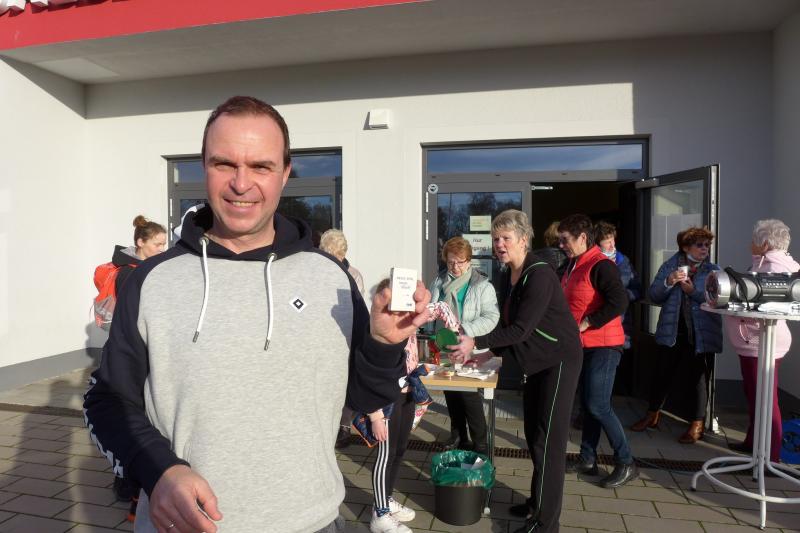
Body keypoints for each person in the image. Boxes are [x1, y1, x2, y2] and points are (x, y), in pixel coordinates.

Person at [83, 96, 431, 533]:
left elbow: (362, 399)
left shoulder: (332, 280)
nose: (241, 183)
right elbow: (106, 401)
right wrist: (159, 470)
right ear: (204, 167)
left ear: (285, 173)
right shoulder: (152, 281)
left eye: (261, 166)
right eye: (224, 164)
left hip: (311, 524)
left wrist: (381, 345)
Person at [448, 210, 582, 533]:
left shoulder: (539, 275)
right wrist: (488, 355)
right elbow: (509, 327)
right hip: (537, 363)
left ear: (524, 240)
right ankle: (537, 503)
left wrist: (476, 342)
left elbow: (522, 329)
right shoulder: (511, 274)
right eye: (495, 238)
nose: (499, 244)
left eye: (505, 238)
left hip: (559, 362)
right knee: (535, 439)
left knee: (549, 445)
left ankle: (546, 524)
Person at [558, 214, 637, 489]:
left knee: (598, 404)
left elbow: (619, 301)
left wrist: (587, 323)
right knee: (588, 404)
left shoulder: (601, 265)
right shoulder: (572, 265)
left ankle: (626, 462)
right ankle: (587, 459)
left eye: (565, 240)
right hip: (583, 345)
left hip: (604, 345)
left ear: (582, 237)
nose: (561, 245)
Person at [631, 227, 722, 443]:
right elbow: (654, 295)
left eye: (707, 245)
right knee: (662, 373)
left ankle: (697, 424)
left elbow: (719, 301)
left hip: (700, 333)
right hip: (673, 330)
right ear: (685, 247)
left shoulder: (713, 270)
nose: (705, 249)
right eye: (699, 245)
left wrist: (694, 293)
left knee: (699, 379)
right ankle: (652, 415)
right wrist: (669, 282)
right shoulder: (670, 266)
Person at [724, 219, 799, 460]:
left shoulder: (773, 268)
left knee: (765, 399)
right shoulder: (770, 264)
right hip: (756, 341)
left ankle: (770, 456)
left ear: (765, 243)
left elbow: (765, 305)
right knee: (755, 395)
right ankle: (754, 444)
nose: (750, 245)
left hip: (761, 342)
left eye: (753, 240)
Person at [427, 236, 499, 454]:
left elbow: (492, 317)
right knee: (451, 392)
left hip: (471, 348)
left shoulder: (482, 285)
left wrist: (465, 329)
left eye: (460, 262)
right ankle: (458, 436)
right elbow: (431, 309)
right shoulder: (438, 282)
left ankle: (480, 443)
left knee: (469, 396)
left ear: (469, 261)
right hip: (446, 346)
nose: (455, 267)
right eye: (451, 262)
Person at [319, 228, 366, 450]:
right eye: (328, 255)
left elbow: (357, 308)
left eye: (337, 256)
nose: (333, 261)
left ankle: (344, 426)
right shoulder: (316, 272)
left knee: (345, 381)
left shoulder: (353, 275)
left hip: (346, 337)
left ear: (343, 253)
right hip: (323, 338)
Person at [594, 221, 641, 349]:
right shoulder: (592, 263)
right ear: (597, 244)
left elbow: (637, 289)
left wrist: (622, 296)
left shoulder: (623, 261)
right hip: (598, 326)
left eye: (613, 240)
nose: (612, 245)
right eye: (607, 242)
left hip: (622, 326)